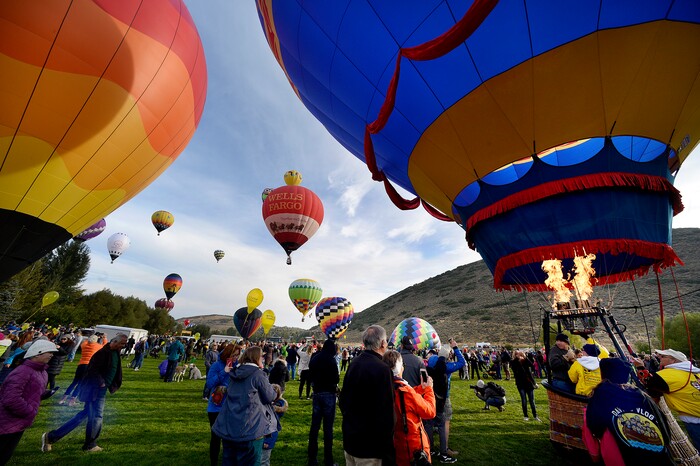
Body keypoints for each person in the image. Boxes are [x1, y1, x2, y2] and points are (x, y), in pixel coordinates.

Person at [42, 333, 127, 453]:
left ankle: (51, 437)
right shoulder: (102, 353)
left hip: (100, 389)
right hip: (95, 389)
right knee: (97, 416)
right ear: (114, 341)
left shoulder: (115, 351)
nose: (124, 346)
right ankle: (90, 445)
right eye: (122, 343)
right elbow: (92, 370)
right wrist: (101, 382)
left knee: (84, 415)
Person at [585, 357, 675, 465]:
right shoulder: (642, 396)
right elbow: (663, 427)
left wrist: (596, 456)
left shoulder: (600, 397)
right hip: (659, 457)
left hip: (621, 456)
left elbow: (593, 427)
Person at [212, 345, 279, 465]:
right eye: (261, 357)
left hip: (229, 426)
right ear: (256, 358)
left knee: (229, 461)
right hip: (250, 427)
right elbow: (270, 396)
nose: (263, 359)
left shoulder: (234, 373)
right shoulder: (258, 374)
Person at [339, 325, 395, 465]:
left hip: (351, 439)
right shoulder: (382, 369)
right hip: (370, 447)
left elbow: (343, 400)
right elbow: (387, 411)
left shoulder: (355, 363)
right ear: (382, 343)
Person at [0, 340, 58, 465]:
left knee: (5, 455)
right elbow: (11, 399)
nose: (52, 355)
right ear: (37, 353)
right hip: (7, 421)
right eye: (49, 352)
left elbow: (31, 390)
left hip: (20, 422)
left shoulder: (42, 372)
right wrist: (30, 412)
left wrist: (44, 393)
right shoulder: (22, 372)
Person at [634, 348, 700, 450]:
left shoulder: (667, 375)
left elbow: (650, 384)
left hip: (694, 419)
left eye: (663, 356)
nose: (659, 357)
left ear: (673, 360)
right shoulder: (695, 372)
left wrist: (640, 367)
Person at [383, 349, 435, 466]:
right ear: (401, 368)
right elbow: (430, 411)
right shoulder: (405, 392)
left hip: (396, 442)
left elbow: (407, 396)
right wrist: (428, 389)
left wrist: (421, 388)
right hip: (412, 446)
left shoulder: (387, 387)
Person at [425, 339, 465, 462]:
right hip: (443, 396)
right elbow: (462, 362)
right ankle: (444, 449)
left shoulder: (432, 362)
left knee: (429, 423)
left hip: (430, 395)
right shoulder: (446, 367)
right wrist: (456, 348)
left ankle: (430, 448)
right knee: (445, 422)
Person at [205, 343, 241, 466]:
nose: (236, 358)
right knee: (215, 437)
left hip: (231, 406)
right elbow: (209, 384)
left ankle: (227, 461)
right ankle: (213, 462)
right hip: (216, 406)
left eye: (237, 355)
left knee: (229, 438)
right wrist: (224, 372)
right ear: (227, 354)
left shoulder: (237, 366)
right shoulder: (216, 365)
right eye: (234, 355)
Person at [308, 338, 340, 466]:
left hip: (317, 394)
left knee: (314, 427)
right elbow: (335, 378)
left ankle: (312, 458)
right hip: (328, 394)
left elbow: (310, 375)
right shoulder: (331, 360)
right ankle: (328, 460)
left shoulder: (315, 358)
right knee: (328, 429)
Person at [59, 333, 105, 406]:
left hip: (81, 364)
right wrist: (103, 338)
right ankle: (72, 400)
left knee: (74, 382)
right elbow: (104, 346)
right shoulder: (98, 346)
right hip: (89, 366)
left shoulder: (84, 345)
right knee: (81, 384)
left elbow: (86, 341)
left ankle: (63, 398)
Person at [262, 383, 288, 466]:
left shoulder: (274, 407)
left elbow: (271, 426)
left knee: (263, 460)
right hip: (261, 434)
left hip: (268, 435)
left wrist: (267, 441)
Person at [511, 350, 540, 421]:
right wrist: (517, 359)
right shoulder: (513, 362)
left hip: (529, 383)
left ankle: (535, 415)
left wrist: (525, 357)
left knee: (532, 400)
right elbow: (515, 369)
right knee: (524, 400)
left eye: (519, 354)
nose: (519, 355)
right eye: (517, 354)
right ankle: (526, 416)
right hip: (520, 384)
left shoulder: (525, 361)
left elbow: (531, 365)